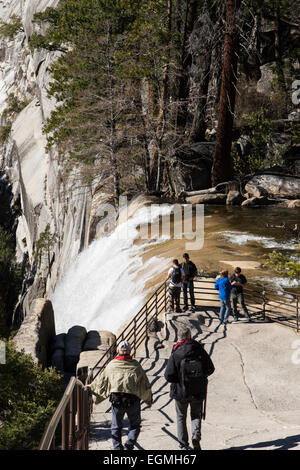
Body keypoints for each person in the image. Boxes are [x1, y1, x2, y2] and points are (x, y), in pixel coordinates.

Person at [87, 340, 152, 450]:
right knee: (135, 425)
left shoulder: (112, 365)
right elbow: (144, 384)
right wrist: (148, 399)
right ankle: (129, 444)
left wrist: (92, 386)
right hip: (133, 400)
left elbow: (101, 381)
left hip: (117, 400)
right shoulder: (136, 365)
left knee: (116, 427)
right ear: (130, 351)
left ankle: (117, 448)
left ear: (118, 350)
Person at [164, 326, 215, 450]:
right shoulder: (199, 349)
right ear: (190, 336)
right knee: (196, 415)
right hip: (197, 390)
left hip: (181, 392)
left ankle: (183, 445)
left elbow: (168, 375)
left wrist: (178, 381)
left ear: (179, 337)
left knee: (181, 417)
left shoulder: (176, 352)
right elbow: (210, 368)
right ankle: (195, 436)